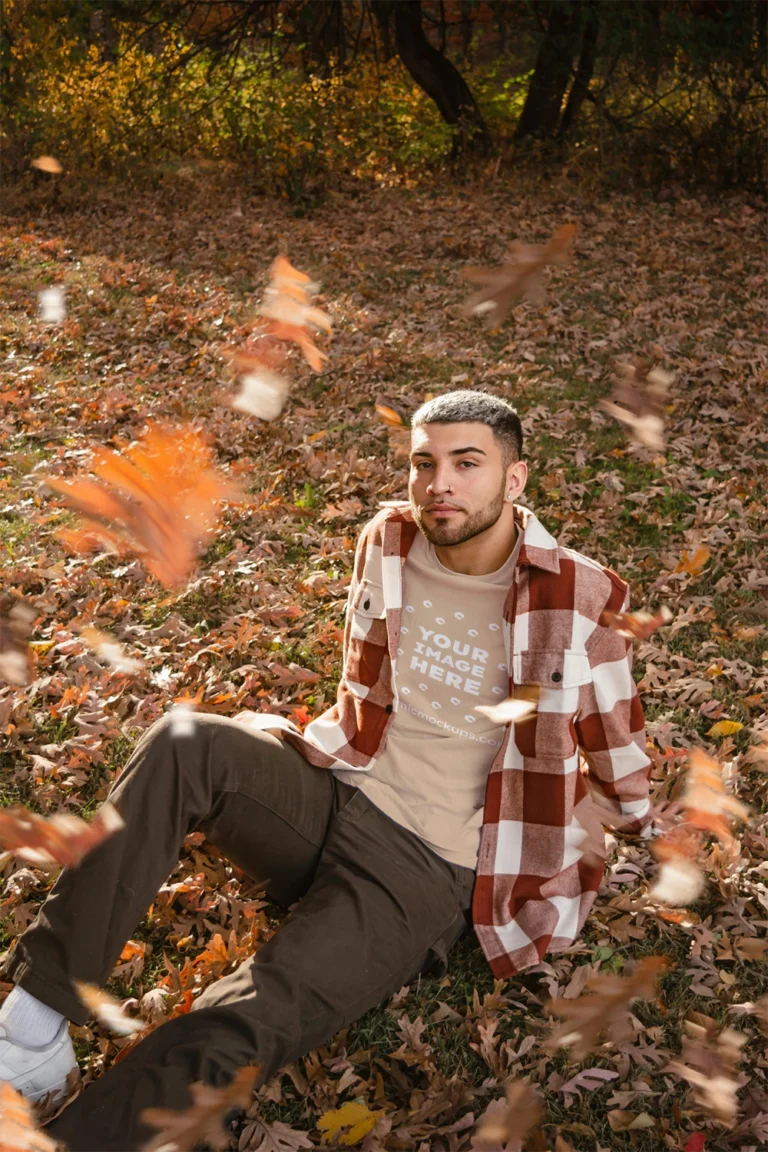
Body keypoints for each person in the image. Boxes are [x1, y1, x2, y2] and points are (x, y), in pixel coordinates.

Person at [0, 390, 652, 1150]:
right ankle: (33, 1027)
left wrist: (555, 857)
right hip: (339, 789)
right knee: (185, 740)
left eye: (466, 464)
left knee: (247, 1012)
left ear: (514, 481)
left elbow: (623, 774)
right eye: (424, 463)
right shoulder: (389, 539)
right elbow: (364, 691)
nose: (439, 483)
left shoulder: (579, 597)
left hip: (425, 868)